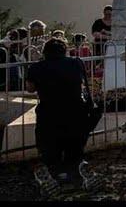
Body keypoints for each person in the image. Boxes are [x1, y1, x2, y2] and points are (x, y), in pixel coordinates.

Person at [26, 38, 99, 195]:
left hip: (49, 114)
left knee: (51, 148)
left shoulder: (37, 67)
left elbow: (30, 89)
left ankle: (57, 176)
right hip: (76, 112)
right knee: (74, 147)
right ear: (64, 50)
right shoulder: (75, 63)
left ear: (45, 52)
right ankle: (77, 172)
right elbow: (81, 82)